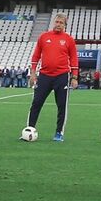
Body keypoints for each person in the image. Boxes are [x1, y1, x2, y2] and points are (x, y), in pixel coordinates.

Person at [26, 13, 79, 141]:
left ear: (65, 25)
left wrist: (74, 77)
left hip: (62, 76)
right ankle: (29, 130)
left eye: (61, 23)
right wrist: (33, 73)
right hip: (44, 76)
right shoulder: (44, 37)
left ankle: (59, 133)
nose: (58, 24)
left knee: (61, 106)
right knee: (36, 103)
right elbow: (36, 56)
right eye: (57, 22)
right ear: (53, 23)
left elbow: (74, 59)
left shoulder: (69, 39)